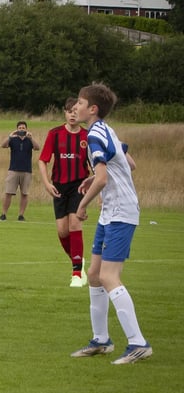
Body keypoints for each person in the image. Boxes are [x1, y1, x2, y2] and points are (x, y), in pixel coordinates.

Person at [71, 83, 152, 365]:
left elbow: (106, 176)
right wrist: (94, 177)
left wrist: (81, 205)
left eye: (80, 103)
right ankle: (102, 340)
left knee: (108, 276)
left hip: (121, 212)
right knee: (94, 273)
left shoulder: (94, 135)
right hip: (112, 213)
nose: (75, 108)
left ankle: (138, 343)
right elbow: (128, 163)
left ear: (92, 108)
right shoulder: (106, 129)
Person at [38, 98, 90, 288]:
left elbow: (97, 167)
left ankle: (76, 273)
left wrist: (98, 192)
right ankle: (78, 260)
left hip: (79, 185)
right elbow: (42, 160)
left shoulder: (87, 136)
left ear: (81, 113)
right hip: (59, 186)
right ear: (65, 113)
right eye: (69, 111)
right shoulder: (55, 134)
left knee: (75, 223)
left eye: (76, 111)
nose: (72, 114)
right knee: (62, 230)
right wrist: (46, 183)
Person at [0, 121, 40, 221]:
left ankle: (21, 215)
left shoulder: (29, 140)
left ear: (26, 129)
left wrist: (31, 138)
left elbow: (37, 148)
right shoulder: (13, 140)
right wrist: (10, 136)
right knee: (8, 193)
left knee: (24, 194)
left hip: (26, 171)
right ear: (17, 129)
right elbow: (3, 145)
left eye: (23, 128)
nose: (22, 129)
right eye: (20, 128)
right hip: (13, 170)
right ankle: (3, 214)